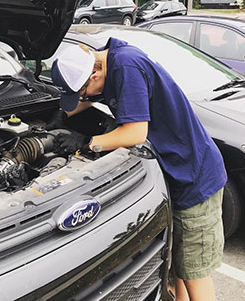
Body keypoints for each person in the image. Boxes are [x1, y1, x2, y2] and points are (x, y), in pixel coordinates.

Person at [50, 39, 227, 301]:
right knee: (180, 264)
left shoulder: (126, 67)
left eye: (82, 92)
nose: (84, 97)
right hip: (176, 176)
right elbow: (92, 96)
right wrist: (63, 116)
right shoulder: (109, 62)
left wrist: (87, 143)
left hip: (196, 180)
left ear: (94, 74)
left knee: (195, 271)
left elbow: (135, 132)